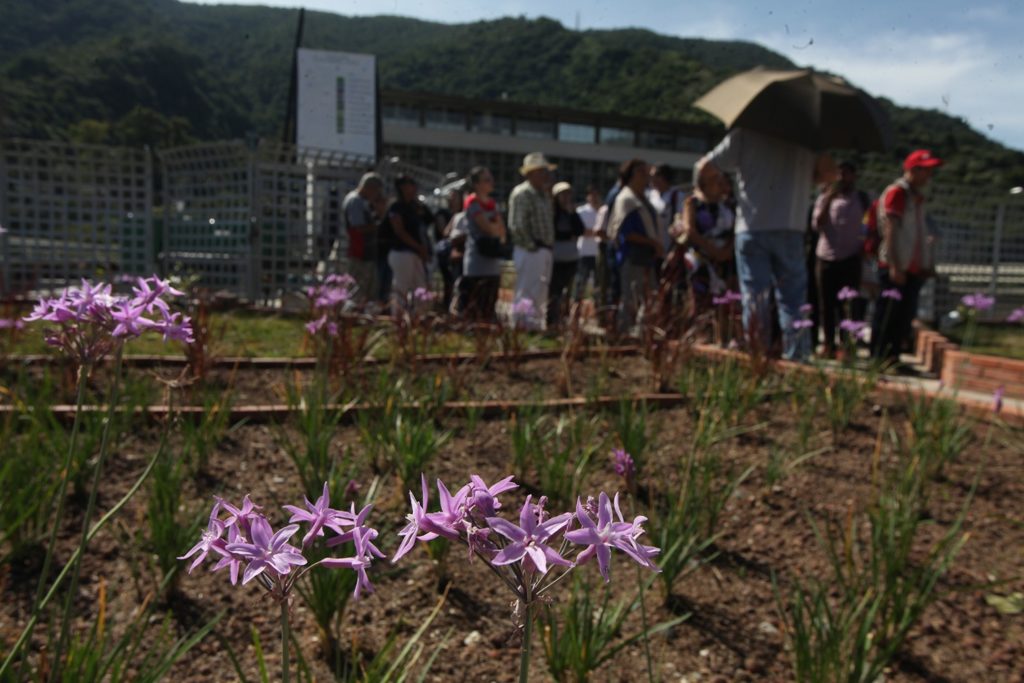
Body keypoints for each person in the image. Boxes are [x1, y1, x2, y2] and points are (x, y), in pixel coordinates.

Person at [698, 128, 825, 360]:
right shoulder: (806, 135)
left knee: (755, 298)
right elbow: (829, 173)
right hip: (791, 226)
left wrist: (710, 192)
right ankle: (797, 357)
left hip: (752, 226)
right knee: (793, 299)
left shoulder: (745, 132)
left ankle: (757, 355)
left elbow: (705, 167)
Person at [871, 149, 942, 363]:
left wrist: (925, 263)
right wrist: (894, 265)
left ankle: (893, 358)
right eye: (925, 170)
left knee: (902, 317)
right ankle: (880, 358)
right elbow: (890, 229)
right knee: (888, 315)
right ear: (913, 169)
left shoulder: (915, 197)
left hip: (911, 268)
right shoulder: (898, 193)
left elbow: (916, 234)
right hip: (896, 266)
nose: (929, 175)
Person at [812, 160, 870, 357]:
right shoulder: (824, 198)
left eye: (846, 174)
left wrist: (865, 247)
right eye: (838, 174)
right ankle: (828, 344)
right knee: (826, 304)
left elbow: (869, 224)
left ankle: (845, 345)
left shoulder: (861, 199)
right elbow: (817, 225)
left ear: (854, 176)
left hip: (851, 258)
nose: (842, 178)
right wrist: (829, 198)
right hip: (826, 257)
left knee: (848, 305)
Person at [608, 158, 663, 334]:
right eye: (641, 172)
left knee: (649, 297)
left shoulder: (643, 198)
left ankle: (641, 333)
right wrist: (653, 243)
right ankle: (625, 334)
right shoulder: (626, 199)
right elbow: (627, 233)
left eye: (647, 172)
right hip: (632, 255)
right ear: (631, 175)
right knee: (631, 298)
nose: (646, 176)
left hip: (647, 256)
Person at [681, 164, 736, 332]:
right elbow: (690, 230)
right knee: (701, 299)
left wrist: (726, 251)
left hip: (726, 259)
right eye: (713, 179)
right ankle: (700, 334)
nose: (718, 182)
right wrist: (713, 251)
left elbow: (736, 230)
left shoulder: (729, 205)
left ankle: (722, 335)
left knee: (725, 300)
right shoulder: (692, 202)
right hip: (701, 259)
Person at [508, 152, 556, 329]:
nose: (545, 175)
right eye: (541, 171)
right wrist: (532, 245)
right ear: (530, 173)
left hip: (544, 248)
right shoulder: (523, 193)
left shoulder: (543, 194)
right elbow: (517, 225)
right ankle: (522, 324)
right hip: (530, 249)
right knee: (527, 288)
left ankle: (535, 324)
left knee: (540, 288)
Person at [460, 166, 507, 322]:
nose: (491, 182)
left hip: (492, 262)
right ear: (476, 184)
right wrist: (494, 228)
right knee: (475, 308)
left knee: (489, 307)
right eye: (487, 180)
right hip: (476, 263)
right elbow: (487, 228)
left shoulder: (492, 204)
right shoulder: (472, 202)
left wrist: (495, 228)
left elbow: (502, 232)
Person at [386, 175, 433, 314]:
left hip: (417, 254)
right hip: (402, 253)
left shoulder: (415, 206)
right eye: (410, 185)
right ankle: (397, 317)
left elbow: (430, 219)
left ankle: (419, 318)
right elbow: (399, 231)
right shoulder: (396, 207)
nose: (414, 187)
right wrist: (418, 247)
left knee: (421, 289)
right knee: (401, 288)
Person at [340, 172, 384, 304]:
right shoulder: (355, 201)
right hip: (358, 252)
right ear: (370, 188)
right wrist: (378, 227)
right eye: (376, 191)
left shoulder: (362, 201)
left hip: (364, 252)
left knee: (367, 289)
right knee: (357, 290)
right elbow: (357, 227)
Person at [549, 182, 584, 329]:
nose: (566, 197)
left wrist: (572, 214)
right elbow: (554, 233)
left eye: (568, 194)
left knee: (569, 291)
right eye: (563, 194)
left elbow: (580, 230)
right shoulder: (552, 213)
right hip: (556, 259)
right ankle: (552, 320)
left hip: (571, 258)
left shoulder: (572, 213)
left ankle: (565, 318)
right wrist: (568, 235)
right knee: (555, 291)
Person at [434, 187, 464, 312]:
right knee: (449, 282)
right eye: (450, 198)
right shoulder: (443, 213)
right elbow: (445, 232)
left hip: (461, 256)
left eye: (455, 197)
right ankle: (446, 307)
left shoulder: (464, 213)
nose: (452, 200)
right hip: (446, 256)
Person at [574, 186, 601, 303]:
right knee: (581, 281)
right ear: (587, 196)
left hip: (598, 253)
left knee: (598, 282)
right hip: (584, 252)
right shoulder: (581, 211)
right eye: (592, 195)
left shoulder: (602, 211)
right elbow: (580, 231)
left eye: (596, 195)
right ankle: (576, 305)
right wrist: (597, 232)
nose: (594, 197)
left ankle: (597, 306)